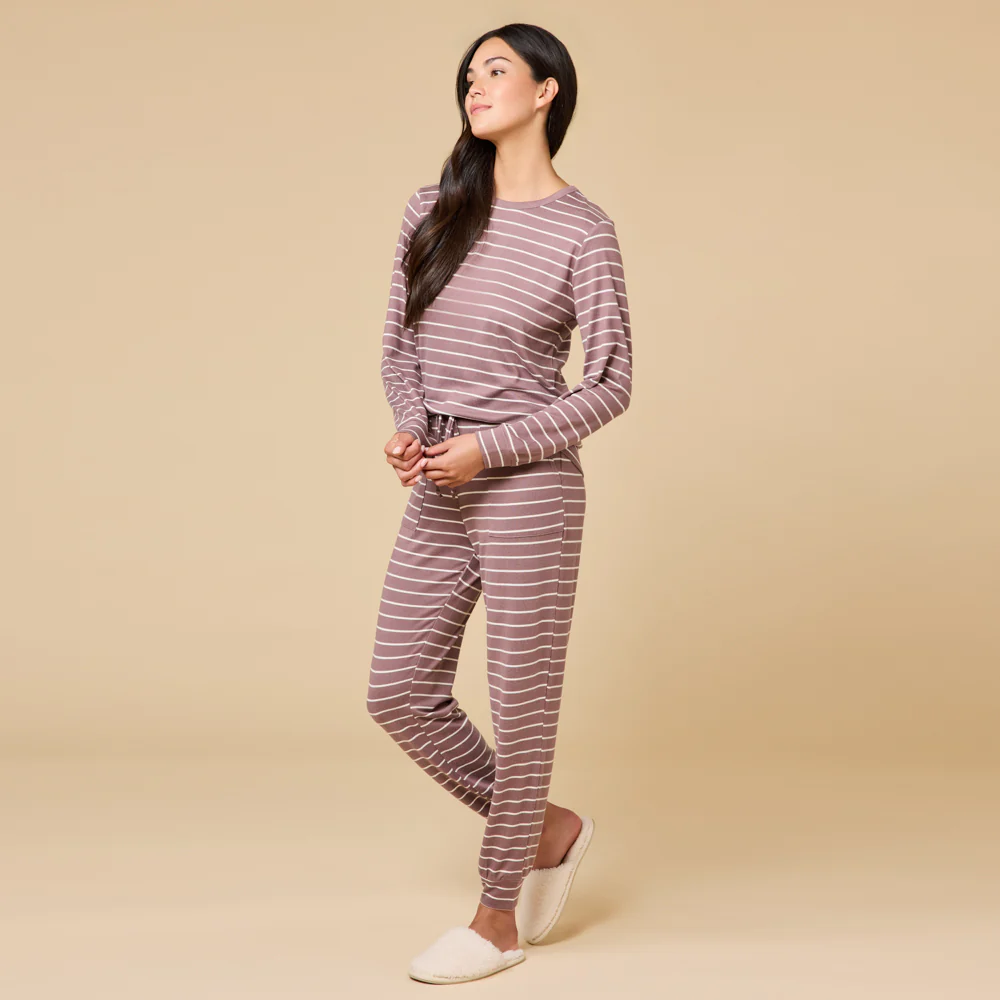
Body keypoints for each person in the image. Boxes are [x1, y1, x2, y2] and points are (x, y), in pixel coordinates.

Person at [366, 22, 633, 984]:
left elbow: (611, 382)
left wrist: (492, 447)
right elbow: (400, 346)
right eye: (468, 75)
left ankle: (495, 920)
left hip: (529, 488)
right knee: (398, 691)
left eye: (496, 70)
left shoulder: (582, 230)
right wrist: (413, 427)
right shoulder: (431, 209)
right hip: (442, 481)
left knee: (522, 707)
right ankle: (548, 829)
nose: (474, 86)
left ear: (547, 91)